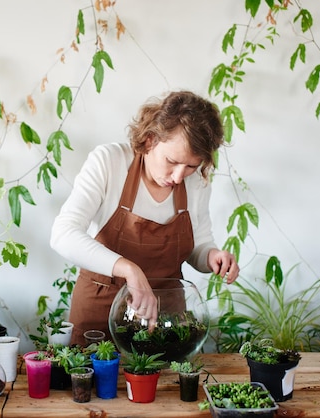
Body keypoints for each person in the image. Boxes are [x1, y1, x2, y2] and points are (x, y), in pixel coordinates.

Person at [49, 90, 240, 346]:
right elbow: (63, 234)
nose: (178, 176)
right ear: (150, 140)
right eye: (172, 161)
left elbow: (199, 243)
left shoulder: (196, 184)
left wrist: (212, 256)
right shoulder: (109, 162)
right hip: (100, 314)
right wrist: (130, 270)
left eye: (192, 166)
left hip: (166, 319)